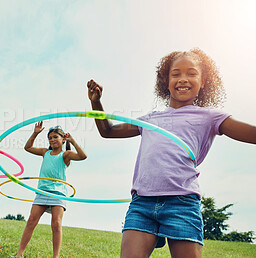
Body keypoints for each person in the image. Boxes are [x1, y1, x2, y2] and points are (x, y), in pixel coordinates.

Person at [87, 48, 256, 258]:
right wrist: (96, 102)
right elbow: (108, 131)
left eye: (191, 73)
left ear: (203, 81)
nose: (183, 79)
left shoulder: (209, 117)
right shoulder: (149, 120)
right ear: (166, 81)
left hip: (182, 202)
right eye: (175, 74)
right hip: (143, 203)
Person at [15, 122, 87, 258]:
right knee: (31, 221)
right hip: (42, 191)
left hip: (58, 193)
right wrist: (36, 133)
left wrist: (73, 141)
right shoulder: (45, 152)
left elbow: (83, 156)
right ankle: (19, 254)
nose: (52, 140)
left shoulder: (66, 155)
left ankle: (55, 256)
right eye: (50, 138)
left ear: (63, 139)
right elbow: (27, 147)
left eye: (55, 137)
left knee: (56, 224)